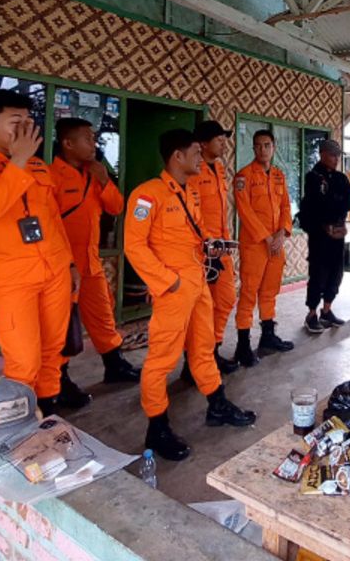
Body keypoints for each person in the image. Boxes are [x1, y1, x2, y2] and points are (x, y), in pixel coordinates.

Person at [124, 128, 256, 461]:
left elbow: (193, 236)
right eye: (196, 152)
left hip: (198, 284)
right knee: (161, 360)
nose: (201, 158)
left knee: (203, 348)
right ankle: (157, 428)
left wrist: (211, 247)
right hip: (173, 291)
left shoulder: (189, 192)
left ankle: (217, 403)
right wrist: (167, 282)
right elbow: (134, 247)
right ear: (177, 156)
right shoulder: (147, 195)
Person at [0, 90, 76, 414]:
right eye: (15, 121)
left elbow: (54, 220)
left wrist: (70, 264)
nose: (24, 129)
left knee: (53, 351)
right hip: (13, 278)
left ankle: (47, 413)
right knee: (24, 359)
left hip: (55, 270)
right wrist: (19, 160)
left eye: (28, 121)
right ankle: (19, 422)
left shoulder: (39, 166)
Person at [49, 118, 141, 390]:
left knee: (103, 316)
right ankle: (59, 378)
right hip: (62, 266)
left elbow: (116, 207)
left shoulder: (94, 174)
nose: (94, 143)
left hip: (90, 262)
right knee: (61, 324)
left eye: (94, 138)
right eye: (88, 139)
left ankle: (114, 364)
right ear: (68, 143)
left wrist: (103, 179)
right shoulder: (51, 176)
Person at [233, 129, 294, 366]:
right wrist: (267, 238)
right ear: (253, 148)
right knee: (249, 293)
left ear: (274, 147)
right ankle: (243, 345)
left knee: (270, 291)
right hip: (255, 245)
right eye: (258, 145)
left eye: (267, 145)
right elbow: (245, 212)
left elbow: (286, 206)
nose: (263, 150)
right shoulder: (244, 176)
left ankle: (268, 336)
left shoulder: (279, 175)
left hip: (276, 244)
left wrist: (282, 232)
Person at [193, 120, 240, 374]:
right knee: (202, 308)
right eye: (219, 140)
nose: (224, 144)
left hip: (221, 248)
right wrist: (206, 244)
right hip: (203, 250)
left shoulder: (219, 168)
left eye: (224, 140)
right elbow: (193, 214)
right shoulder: (193, 171)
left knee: (226, 299)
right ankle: (196, 360)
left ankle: (211, 350)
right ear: (203, 144)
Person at [297, 138, 350, 334]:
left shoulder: (341, 178)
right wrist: (333, 207)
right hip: (320, 233)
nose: (336, 159)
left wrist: (333, 206)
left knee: (336, 272)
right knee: (318, 273)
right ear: (322, 154)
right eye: (332, 155)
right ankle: (312, 313)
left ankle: (327, 310)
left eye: (338, 155)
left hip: (337, 232)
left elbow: (349, 202)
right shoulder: (313, 177)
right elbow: (317, 205)